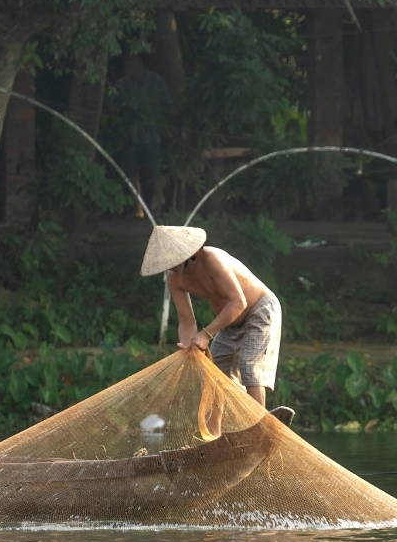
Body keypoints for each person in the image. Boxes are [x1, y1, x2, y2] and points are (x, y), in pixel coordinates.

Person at [142, 224, 282, 407]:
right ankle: (217, 432)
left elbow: (239, 302)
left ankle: (261, 426)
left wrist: (206, 334)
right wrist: (187, 347)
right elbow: (186, 320)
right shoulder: (174, 279)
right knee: (214, 374)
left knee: (249, 366)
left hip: (258, 310)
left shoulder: (212, 259)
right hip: (228, 322)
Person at [109, 55, 171, 214]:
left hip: (152, 135)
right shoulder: (122, 85)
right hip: (130, 136)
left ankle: (158, 208)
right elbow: (112, 109)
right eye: (128, 66)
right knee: (130, 174)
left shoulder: (156, 82)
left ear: (142, 65)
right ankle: (138, 210)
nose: (132, 69)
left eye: (134, 65)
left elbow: (167, 106)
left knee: (155, 173)